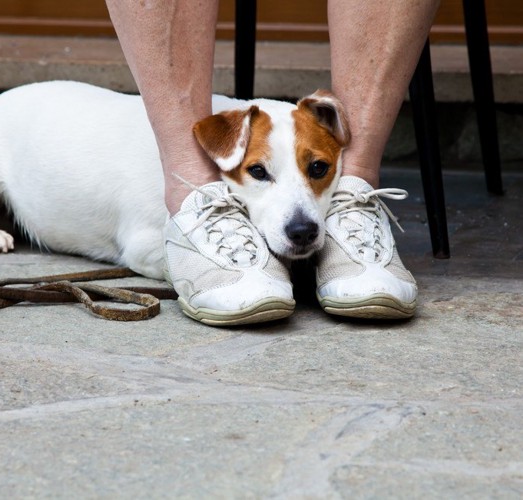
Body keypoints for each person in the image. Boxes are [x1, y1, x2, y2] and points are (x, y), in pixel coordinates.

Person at [105, 0, 440, 325]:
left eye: (318, 169)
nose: (301, 222)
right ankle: (195, 212)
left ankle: (355, 192)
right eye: (260, 172)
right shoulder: (225, 132)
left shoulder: (304, 127)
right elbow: (142, 250)